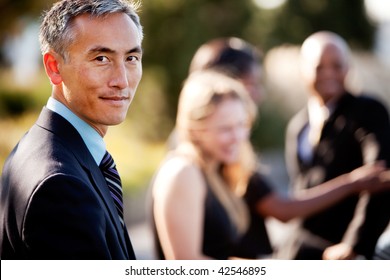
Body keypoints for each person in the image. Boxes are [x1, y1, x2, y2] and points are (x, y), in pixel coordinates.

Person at [151, 69, 390, 260]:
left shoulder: (218, 168)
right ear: (195, 128)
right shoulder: (184, 171)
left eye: (241, 125)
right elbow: (185, 265)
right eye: (225, 128)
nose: (238, 137)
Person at [0, 0, 143, 259]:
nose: (122, 81)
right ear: (54, 67)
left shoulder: (44, 147)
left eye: (131, 58)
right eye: (101, 58)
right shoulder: (60, 186)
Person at [284, 31, 390, 260]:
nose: (328, 73)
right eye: (319, 67)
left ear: (348, 68)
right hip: (301, 248)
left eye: (336, 65)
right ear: (304, 70)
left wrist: (355, 245)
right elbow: (299, 192)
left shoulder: (367, 111)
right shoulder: (298, 126)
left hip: (342, 249)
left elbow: (380, 178)